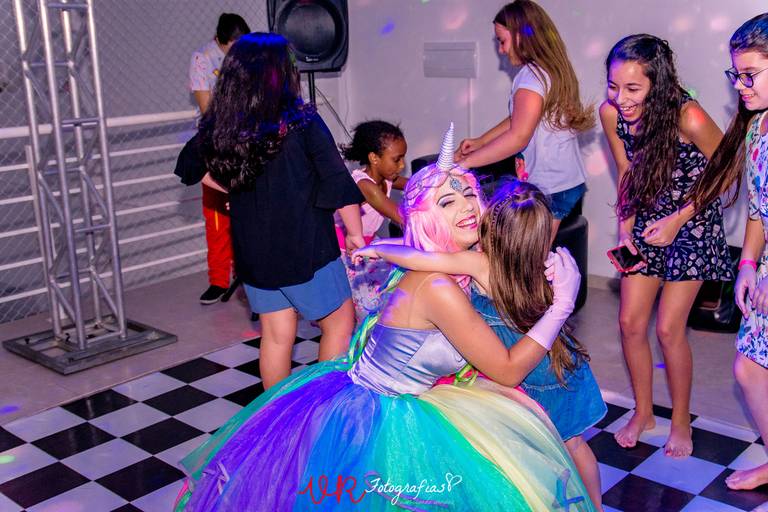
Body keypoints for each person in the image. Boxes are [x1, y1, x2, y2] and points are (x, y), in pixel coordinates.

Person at [173, 127, 595, 511]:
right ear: (425, 217)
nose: (467, 207)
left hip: (410, 398)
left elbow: (430, 257)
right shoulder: (438, 288)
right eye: (447, 201)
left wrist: (377, 248)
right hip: (378, 418)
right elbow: (507, 369)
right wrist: (561, 305)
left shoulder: (456, 264)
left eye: (469, 194)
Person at [355, 179, 606, 510]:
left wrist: (378, 248)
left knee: (547, 454)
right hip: (555, 365)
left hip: (528, 371)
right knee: (572, 446)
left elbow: (421, 257)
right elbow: (427, 254)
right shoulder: (545, 266)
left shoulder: (481, 263)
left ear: (489, 225)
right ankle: (594, 506)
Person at [177, 33, 365, 390]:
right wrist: (355, 234)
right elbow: (336, 180)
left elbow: (189, 164)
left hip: (254, 254)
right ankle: (323, 405)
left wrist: (232, 187)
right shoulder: (303, 122)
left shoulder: (224, 126)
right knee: (339, 322)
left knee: (277, 335)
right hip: (307, 248)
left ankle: (276, 412)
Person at [599, 34, 731, 457]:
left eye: (633, 88)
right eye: (613, 86)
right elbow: (627, 172)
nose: (620, 98)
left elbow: (727, 171)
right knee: (629, 323)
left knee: (669, 329)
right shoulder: (611, 114)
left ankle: (679, 421)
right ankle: (643, 412)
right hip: (646, 219)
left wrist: (678, 219)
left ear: (658, 84)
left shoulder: (688, 116)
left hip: (692, 221)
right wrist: (625, 230)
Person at [688, 12, 768, 492]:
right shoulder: (758, 130)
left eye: (750, 74)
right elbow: (760, 210)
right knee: (750, 369)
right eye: (735, 74)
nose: (739, 85)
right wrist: (748, 265)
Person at [455, 0, 593, 241]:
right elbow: (520, 119)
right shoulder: (549, 70)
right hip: (565, 181)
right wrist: (481, 141)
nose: (501, 50)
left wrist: (466, 164)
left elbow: (519, 136)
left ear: (521, 36)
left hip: (550, 186)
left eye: (502, 41)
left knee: (530, 257)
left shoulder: (531, 77)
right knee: (530, 252)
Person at [188, 13, 250, 304]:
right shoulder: (202, 59)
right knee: (216, 218)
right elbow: (206, 109)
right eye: (234, 45)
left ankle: (247, 273)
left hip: (245, 143)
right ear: (222, 40)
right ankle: (218, 280)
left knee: (248, 212)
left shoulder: (246, 58)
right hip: (217, 145)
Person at [335, 120, 409, 320]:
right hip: (346, 251)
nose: (402, 165)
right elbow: (400, 216)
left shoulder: (387, 178)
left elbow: (416, 183)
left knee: (390, 293)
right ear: (374, 158)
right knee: (367, 310)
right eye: (397, 159)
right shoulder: (364, 185)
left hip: (368, 243)